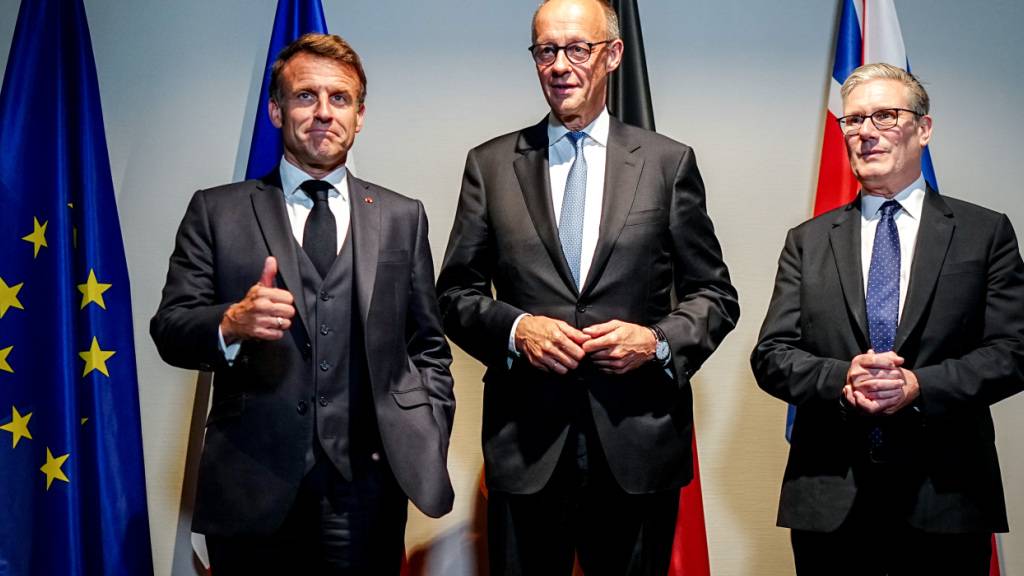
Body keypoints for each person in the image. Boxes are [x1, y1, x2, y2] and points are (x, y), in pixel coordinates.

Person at [436, 0, 739, 573]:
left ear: (613, 55)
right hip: (526, 445)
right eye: (546, 50)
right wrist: (518, 329)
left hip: (639, 445)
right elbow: (454, 295)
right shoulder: (491, 164)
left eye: (577, 48)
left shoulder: (667, 163)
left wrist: (655, 341)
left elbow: (716, 295)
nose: (560, 65)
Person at [150, 33, 454, 575]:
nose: (323, 113)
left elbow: (427, 345)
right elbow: (170, 328)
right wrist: (230, 322)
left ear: (359, 116)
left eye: (340, 99)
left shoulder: (402, 216)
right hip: (251, 486)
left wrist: (424, 429)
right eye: (305, 96)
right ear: (276, 110)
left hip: (367, 491)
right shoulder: (217, 211)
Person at [751, 62, 1024, 575]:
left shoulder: (984, 233)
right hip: (829, 505)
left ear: (924, 128)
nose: (866, 132)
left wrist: (920, 384)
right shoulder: (807, 241)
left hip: (947, 501)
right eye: (853, 121)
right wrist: (841, 379)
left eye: (885, 116)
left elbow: (1014, 351)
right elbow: (771, 355)